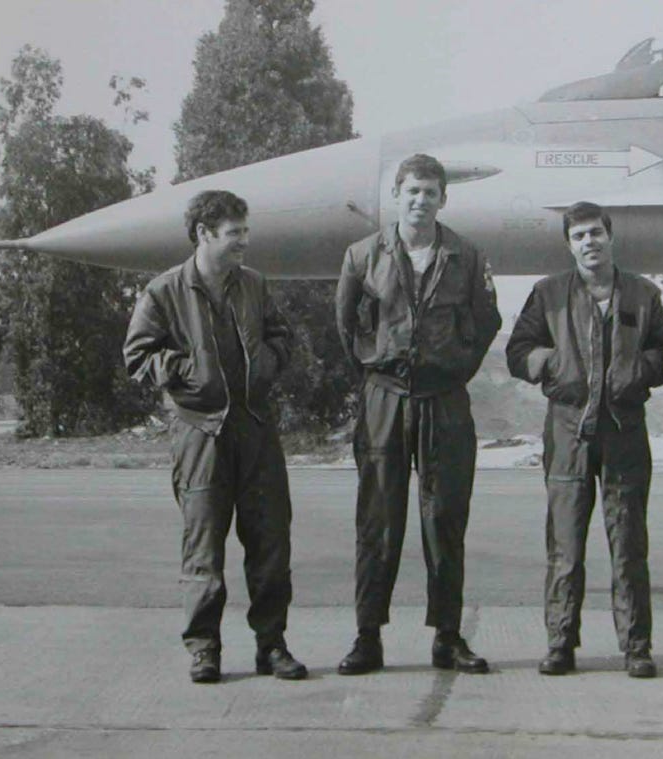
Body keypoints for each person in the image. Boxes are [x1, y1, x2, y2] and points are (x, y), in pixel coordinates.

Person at [123, 190, 306, 684]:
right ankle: (204, 650)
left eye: (246, 232)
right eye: (235, 233)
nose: (244, 242)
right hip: (199, 434)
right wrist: (189, 370)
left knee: (271, 546)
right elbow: (137, 356)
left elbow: (281, 337)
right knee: (203, 551)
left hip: (256, 430)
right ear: (204, 234)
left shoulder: (255, 285)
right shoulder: (163, 292)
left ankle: (272, 646)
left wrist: (267, 365)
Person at [334, 153, 501, 675]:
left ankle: (447, 637)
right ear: (397, 196)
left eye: (430, 192)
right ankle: (367, 637)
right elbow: (346, 325)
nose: (421, 200)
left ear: (443, 198)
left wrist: (453, 369)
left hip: (444, 402)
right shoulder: (363, 256)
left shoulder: (467, 256)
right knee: (378, 521)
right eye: (412, 191)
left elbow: (486, 321)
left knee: (445, 519)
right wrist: (375, 369)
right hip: (384, 399)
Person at [506, 201, 663, 678]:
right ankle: (561, 643)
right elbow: (518, 350)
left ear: (610, 236)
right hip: (567, 435)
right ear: (569, 244)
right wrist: (554, 366)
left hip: (624, 434)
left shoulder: (643, 295)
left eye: (596, 233)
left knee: (628, 546)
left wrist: (637, 371)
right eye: (579, 236)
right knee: (565, 546)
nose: (589, 242)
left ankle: (636, 647)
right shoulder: (549, 294)